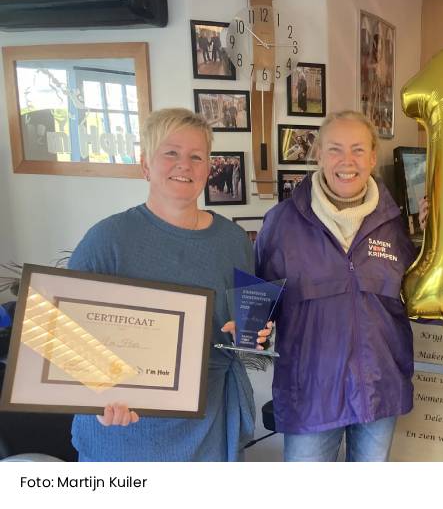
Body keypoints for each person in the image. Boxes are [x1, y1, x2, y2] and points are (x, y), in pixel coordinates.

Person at [67, 108, 258, 461]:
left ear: (208, 168)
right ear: (145, 165)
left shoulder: (235, 241)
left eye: (196, 156)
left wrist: (253, 335)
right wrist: (94, 396)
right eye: (171, 153)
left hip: (209, 428)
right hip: (125, 435)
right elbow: (64, 335)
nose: (184, 164)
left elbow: (248, 339)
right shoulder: (107, 239)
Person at [255, 110, 415, 461]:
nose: (347, 161)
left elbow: (420, 301)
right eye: (335, 149)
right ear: (319, 155)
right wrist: (252, 330)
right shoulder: (281, 224)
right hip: (310, 396)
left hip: (378, 390)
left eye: (358, 150)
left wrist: (439, 237)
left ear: (373, 157)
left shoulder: (396, 225)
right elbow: (255, 307)